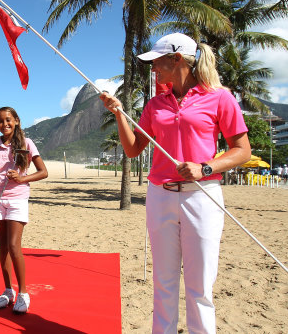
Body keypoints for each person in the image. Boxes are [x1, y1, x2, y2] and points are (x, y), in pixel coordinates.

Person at [100, 33, 251, 333]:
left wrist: (205, 167)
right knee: (164, 283)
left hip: (203, 196)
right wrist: (118, 113)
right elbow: (132, 149)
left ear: (177, 59)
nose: (153, 68)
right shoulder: (156, 104)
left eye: (157, 62)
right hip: (161, 197)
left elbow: (242, 150)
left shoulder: (220, 97)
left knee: (200, 287)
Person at [0, 107, 48, 314]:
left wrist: (22, 178)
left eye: (8, 120)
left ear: (16, 121)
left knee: (13, 245)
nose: (5, 124)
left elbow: (43, 172)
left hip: (18, 199)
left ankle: (23, 293)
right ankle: (8, 290)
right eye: (0, 121)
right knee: (2, 247)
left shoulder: (27, 144)